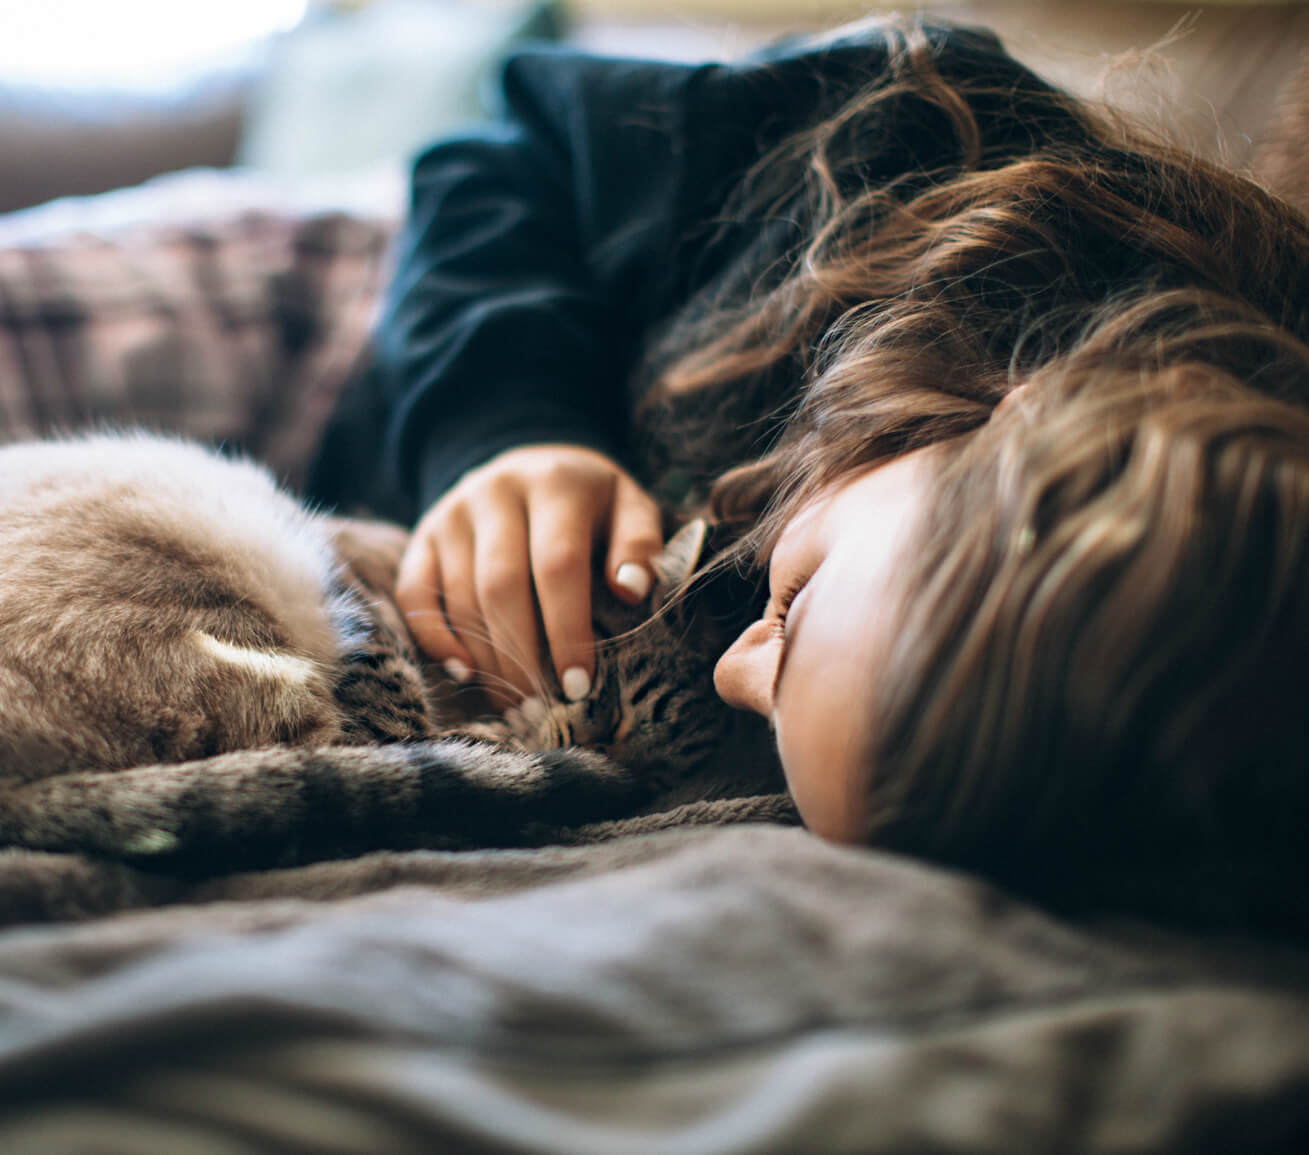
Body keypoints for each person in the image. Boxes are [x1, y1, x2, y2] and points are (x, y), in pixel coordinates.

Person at [323, 15, 1309, 928]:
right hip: (356, 298)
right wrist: (509, 426)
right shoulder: (892, 141)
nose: (727, 667)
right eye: (789, 607)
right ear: (1026, 409)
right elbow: (497, 148)